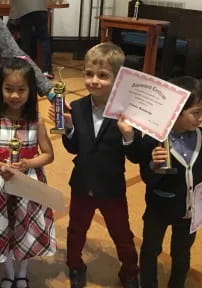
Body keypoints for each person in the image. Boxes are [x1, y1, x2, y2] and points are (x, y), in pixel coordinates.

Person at [50, 43, 141, 288]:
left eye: (103, 75)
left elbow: (134, 156)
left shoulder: (126, 113)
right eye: (89, 74)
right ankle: (75, 264)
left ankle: (130, 271)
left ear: (117, 79)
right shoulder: (77, 108)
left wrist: (129, 135)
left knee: (122, 233)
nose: (94, 80)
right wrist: (68, 128)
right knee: (76, 230)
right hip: (82, 183)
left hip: (111, 187)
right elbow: (74, 148)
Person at [136, 76, 202, 288]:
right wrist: (154, 167)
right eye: (196, 112)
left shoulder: (201, 136)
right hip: (158, 208)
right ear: (174, 110)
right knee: (150, 250)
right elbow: (147, 177)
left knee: (182, 254)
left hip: (190, 211)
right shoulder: (154, 137)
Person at [0, 57, 55, 288]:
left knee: (26, 229)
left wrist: (28, 163)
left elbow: (48, 154)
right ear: (0, 89)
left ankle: (22, 272)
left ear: (30, 91)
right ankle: (8, 272)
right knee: (4, 228)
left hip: (29, 184)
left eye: (21, 90)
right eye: (8, 89)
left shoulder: (36, 121)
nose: (14, 95)